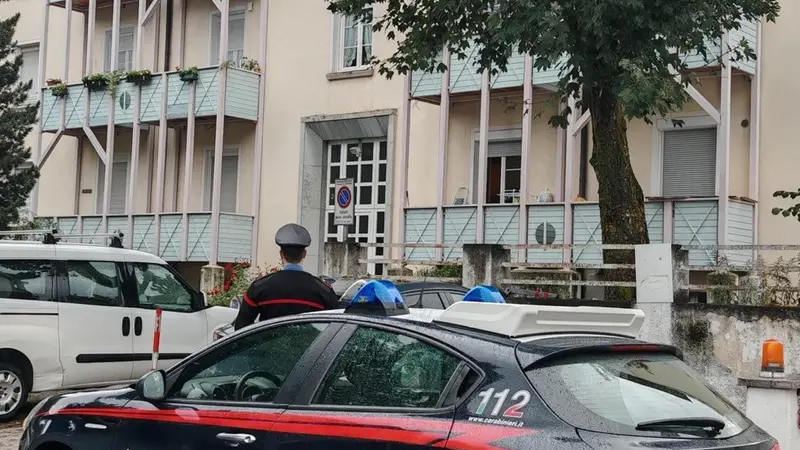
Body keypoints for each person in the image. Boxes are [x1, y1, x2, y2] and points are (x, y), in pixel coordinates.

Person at [233, 223, 339, 330]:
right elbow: (336, 328)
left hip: (269, 341)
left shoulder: (259, 287)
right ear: (304, 254)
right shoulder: (324, 291)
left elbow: (241, 328)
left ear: (281, 254)